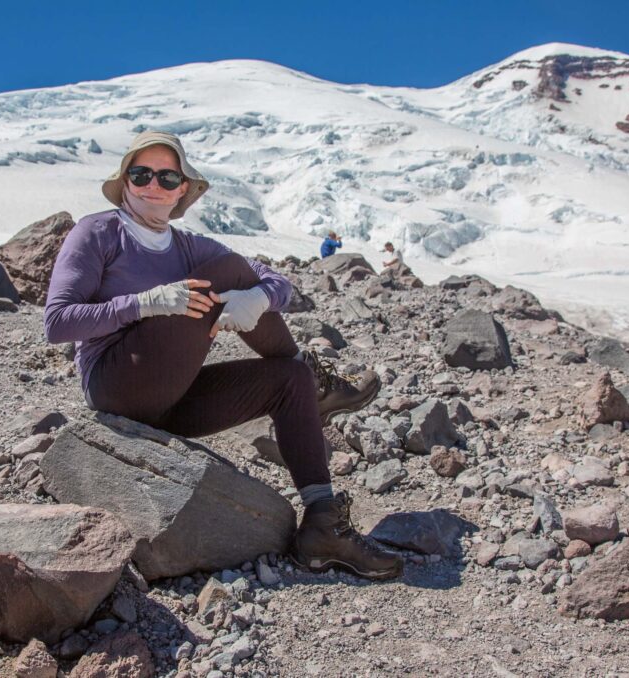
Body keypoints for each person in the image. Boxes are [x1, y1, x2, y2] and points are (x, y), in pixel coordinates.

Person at [44, 131, 403, 580]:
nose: (153, 184)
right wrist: (144, 304)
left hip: (174, 400)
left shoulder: (189, 245)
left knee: (288, 379)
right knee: (230, 272)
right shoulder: (99, 232)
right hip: (118, 385)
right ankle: (320, 386)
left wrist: (260, 299)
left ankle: (322, 524)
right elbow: (57, 323)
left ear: (182, 190)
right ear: (126, 182)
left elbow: (277, 283)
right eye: (141, 174)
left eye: (167, 176)